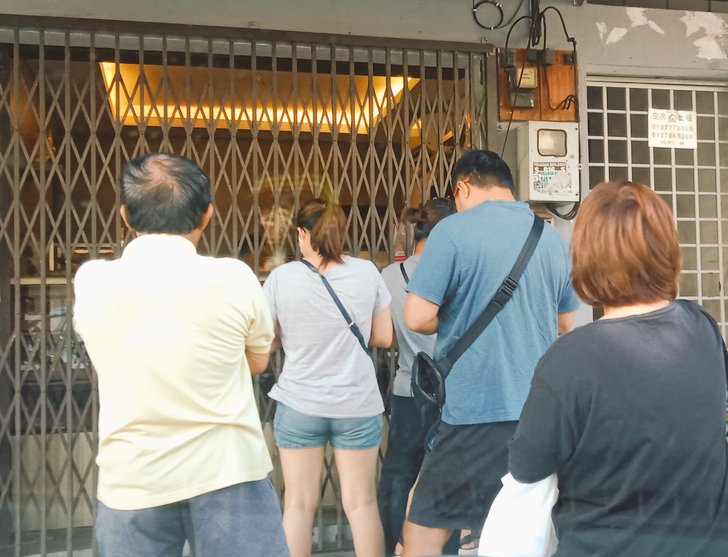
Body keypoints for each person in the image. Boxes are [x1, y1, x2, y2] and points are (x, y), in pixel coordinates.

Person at [506, 181, 728, 557]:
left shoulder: (569, 358)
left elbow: (528, 465)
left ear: (585, 256)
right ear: (667, 249)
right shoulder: (701, 325)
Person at [72, 153, 288, 557]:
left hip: (133, 478)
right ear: (206, 215)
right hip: (227, 471)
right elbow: (259, 361)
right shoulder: (234, 278)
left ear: (126, 216)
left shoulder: (94, 281)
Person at [401, 149, 579, 557]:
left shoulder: (452, 231)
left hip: (473, 408)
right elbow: (566, 323)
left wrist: (456, 318)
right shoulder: (549, 236)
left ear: (462, 186)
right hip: (537, 411)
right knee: (518, 528)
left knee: (427, 522)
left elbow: (417, 316)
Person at [263, 198, 393, 557]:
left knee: (298, 506)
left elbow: (268, 341)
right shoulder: (368, 272)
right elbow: (383, 337)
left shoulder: (280, 279)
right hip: (356, 403)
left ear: (302, 233)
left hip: (300, 402)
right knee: (362, 504)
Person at [377, 199, 460, 556]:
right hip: (452, 396)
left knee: (398, 475)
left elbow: (387, 334)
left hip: (407, 390)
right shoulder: (458, 273)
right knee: (444, 478)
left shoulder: (389, 276)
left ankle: (391, 544)